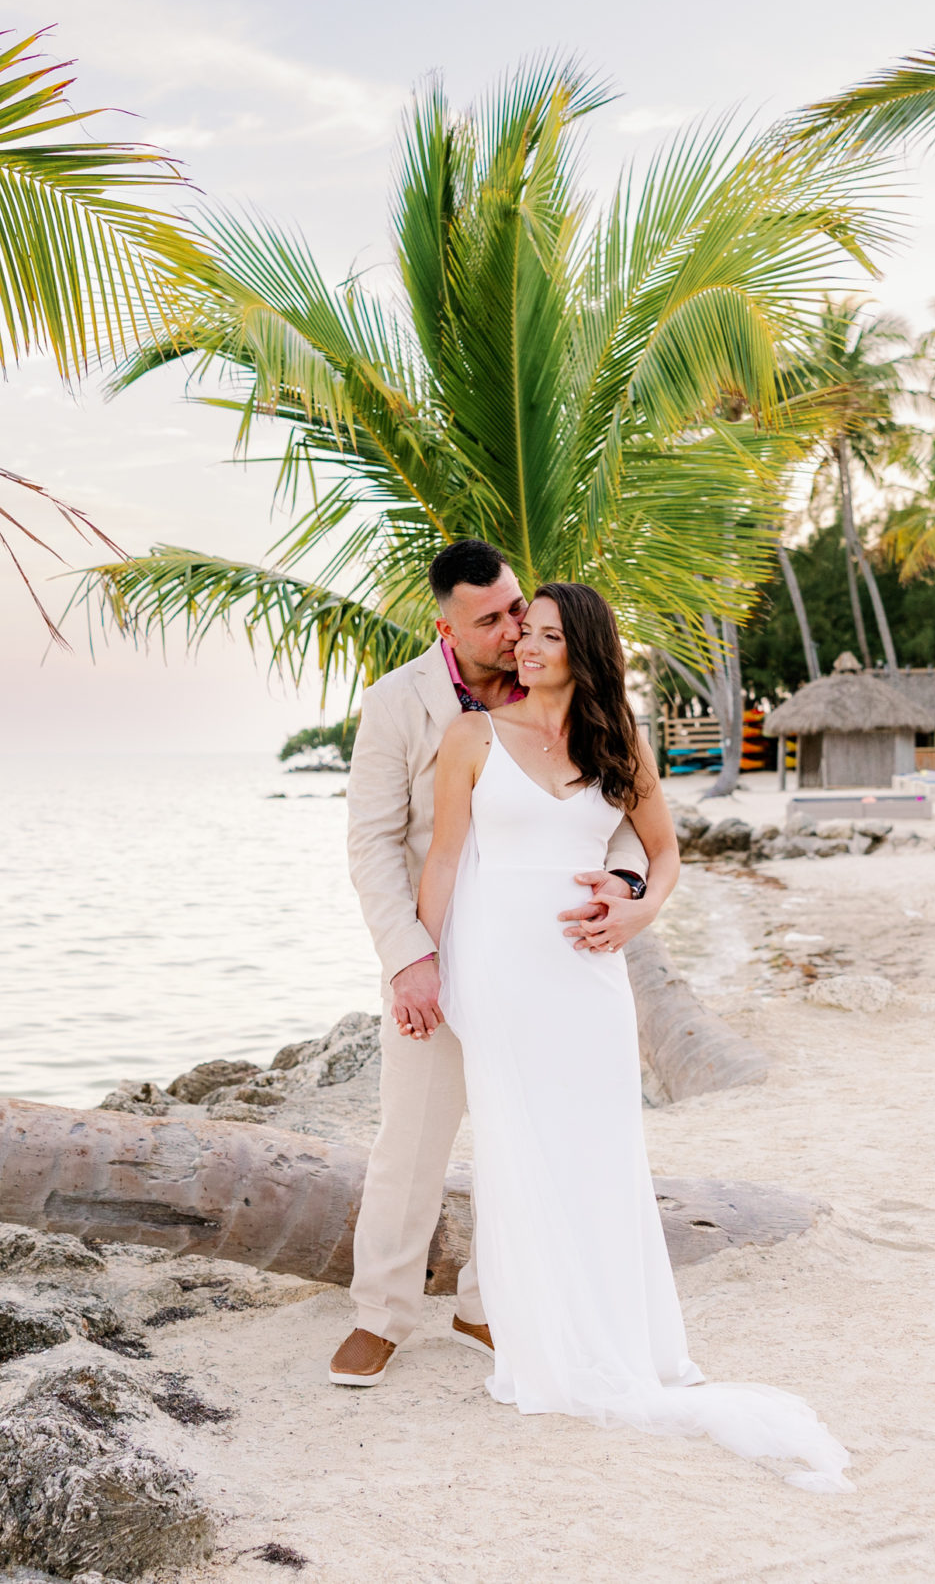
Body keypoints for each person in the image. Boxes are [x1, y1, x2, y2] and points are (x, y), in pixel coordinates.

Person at [415, 580, 852, 1491]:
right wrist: (417, 963)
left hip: (587, 976)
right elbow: (446, 859)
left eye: (541, 637)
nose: (522, 649)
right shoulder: (471, 735)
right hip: (497, 971)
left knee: (600, 1153)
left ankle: (618, 1339)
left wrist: (635, 916)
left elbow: (665, 854)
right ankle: (538, 1347)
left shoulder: (618, 744)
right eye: (518, 635)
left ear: (581, 648)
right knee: (517, 1151)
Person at [331, 540, 650, 1389]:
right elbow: (372, 846)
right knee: (414, 1138)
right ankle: (381, 1314)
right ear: (447, 626)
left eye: (517, 609)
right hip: (437, 951)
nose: (514, 630)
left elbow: (617, 811)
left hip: (545, 961)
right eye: (494, 619)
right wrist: (411, 961)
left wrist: (625, 882)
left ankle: (485, 1301)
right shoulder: (398, 704)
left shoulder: (557, 684)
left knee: (530, 1135)